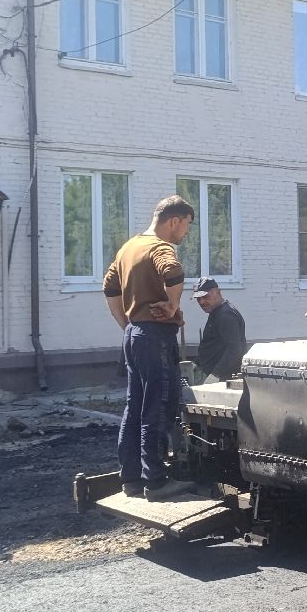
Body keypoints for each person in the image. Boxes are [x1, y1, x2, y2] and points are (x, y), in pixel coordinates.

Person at [103, 195, 194, 501]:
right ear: (174, 221)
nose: (186, 234)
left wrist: (126, 323)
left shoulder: (128, 248)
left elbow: (110, 287)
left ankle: (130, 478)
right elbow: (174, 273)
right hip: (154, 337)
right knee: (158, 406)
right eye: (187, 226)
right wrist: (172, 306)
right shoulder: (160, 247)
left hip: (134, 335)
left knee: (135, 406)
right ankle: (155, 481)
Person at [191, 278, 246, 385]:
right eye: (198, 299)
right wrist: (197, 363)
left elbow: (234, 349)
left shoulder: (226, 315)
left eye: (206, 296)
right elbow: (212, 344)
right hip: (211, 374)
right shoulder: (216, 312)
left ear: (218, 292)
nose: (201, 302)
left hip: (223, 380)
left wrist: (216, 375)